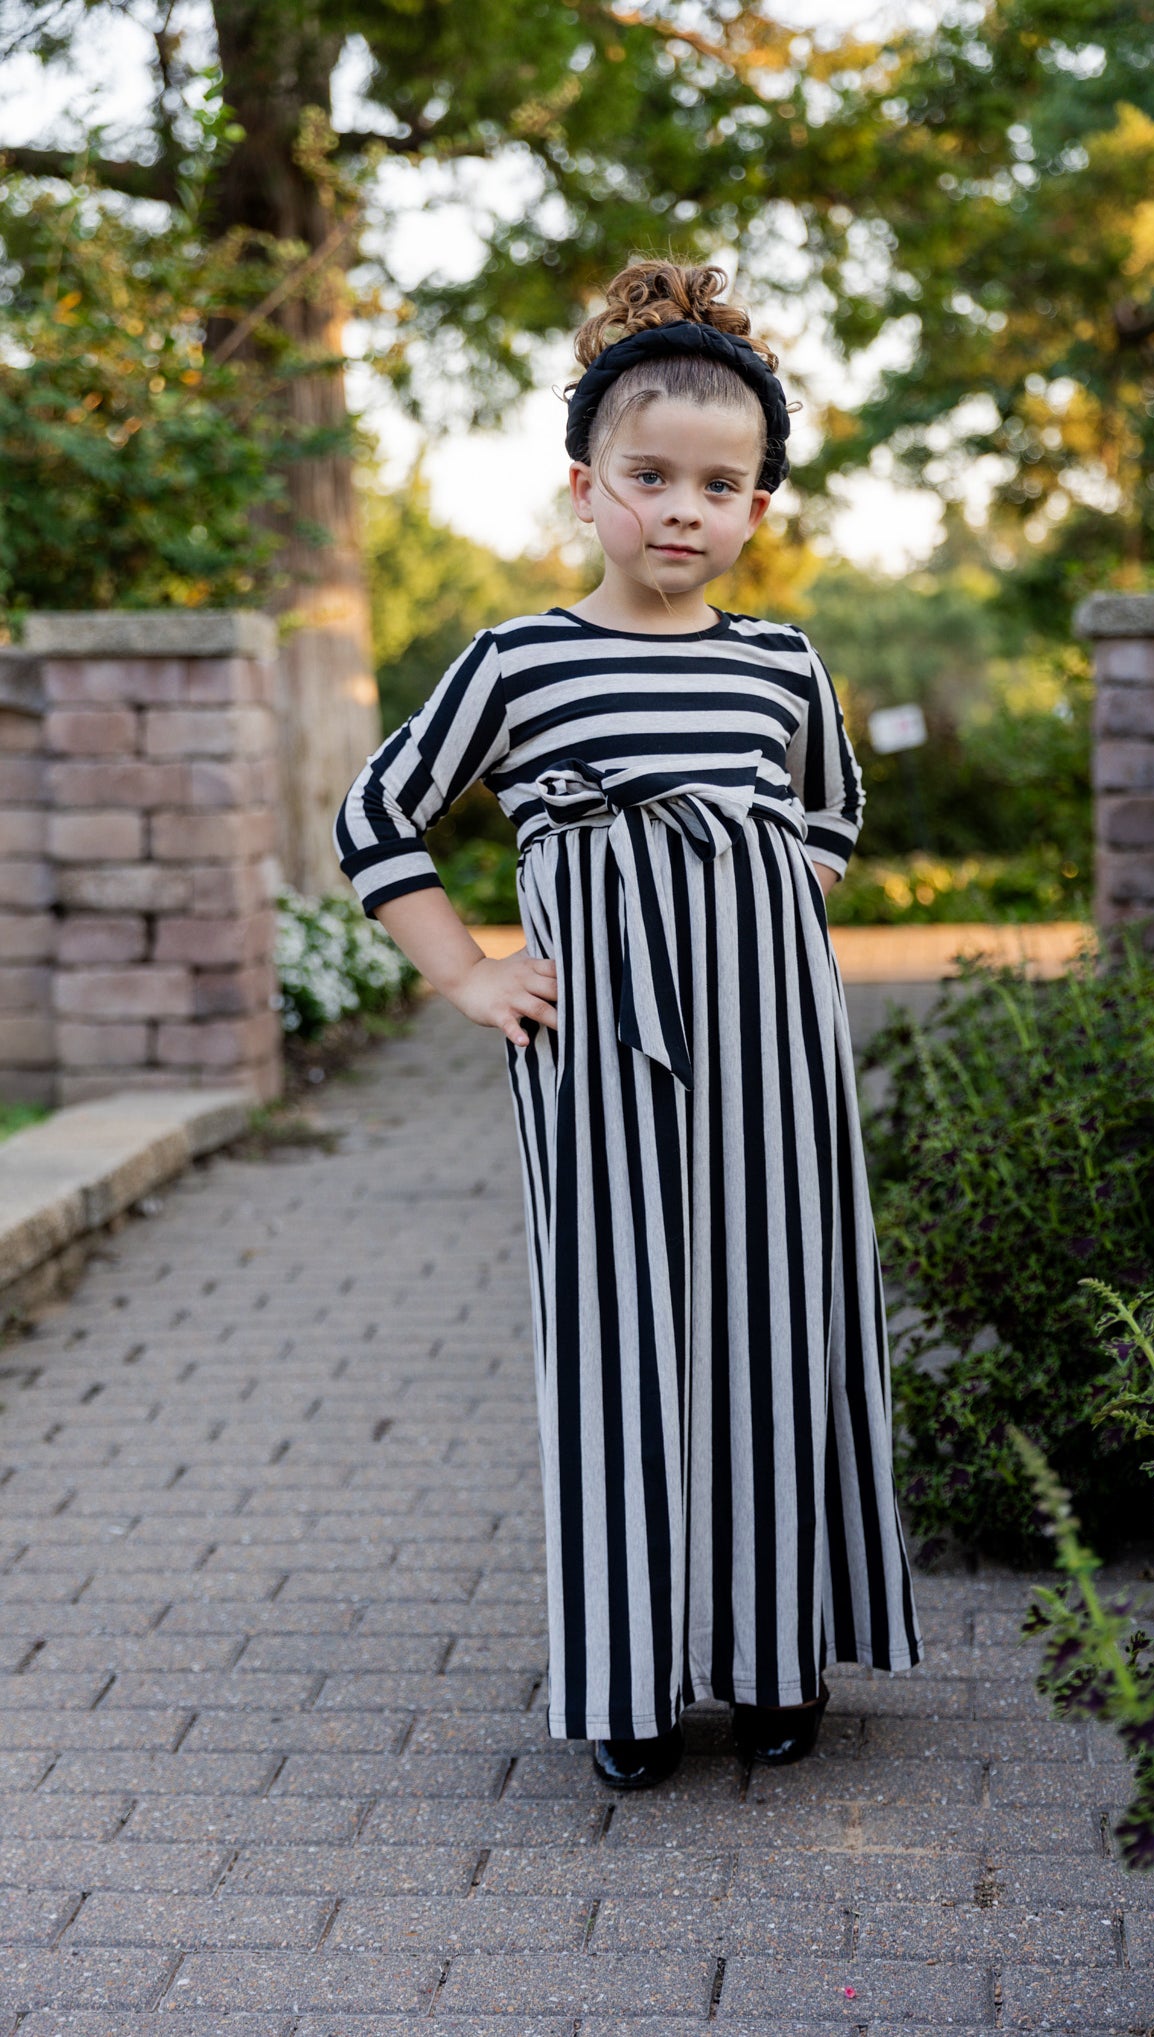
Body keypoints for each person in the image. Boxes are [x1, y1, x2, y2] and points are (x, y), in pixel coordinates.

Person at [333, 259, 921, 1792]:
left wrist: (752, 900)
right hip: (595, 1065)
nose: (681, 510)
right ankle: (629, 1676)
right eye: (649, 477)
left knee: (776, 1331)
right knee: (618, 1349)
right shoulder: (520, 660)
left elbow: (829, 811)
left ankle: (777, 1656)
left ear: (755, 510)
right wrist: (464, 970)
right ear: (585, 486)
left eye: (718, 487)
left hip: (774, 1059)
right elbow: (377, 813)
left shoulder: (780, 661)